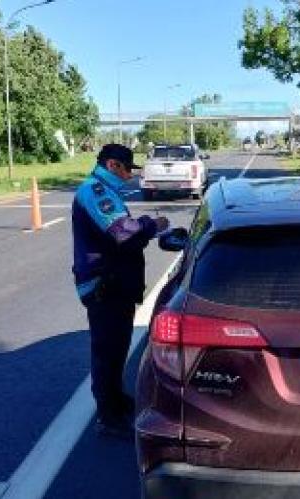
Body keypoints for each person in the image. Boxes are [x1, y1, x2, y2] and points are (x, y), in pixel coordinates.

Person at [72, 144, 169, 437]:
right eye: (128, 169)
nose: (130, 176)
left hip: (116, 284)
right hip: (104, 285)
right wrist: (153, 224)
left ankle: (115, 398)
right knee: (107, 350)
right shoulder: (95, 191)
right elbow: (123, 233)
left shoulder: (104, 189)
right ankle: (108, 416)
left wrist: (145, 230)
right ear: (113, 165)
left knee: (118, 348)